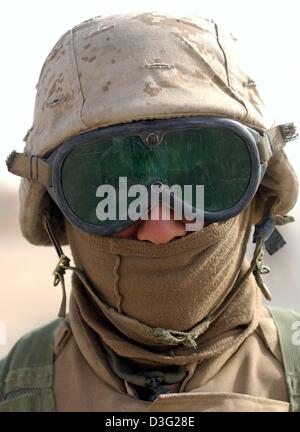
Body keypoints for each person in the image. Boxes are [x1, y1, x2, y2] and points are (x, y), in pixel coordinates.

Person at [1, 11, 299, 412]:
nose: (159, 228)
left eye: (203, 182)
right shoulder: (13, 389)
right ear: (57, 215)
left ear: (257, 198)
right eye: (110, 188)